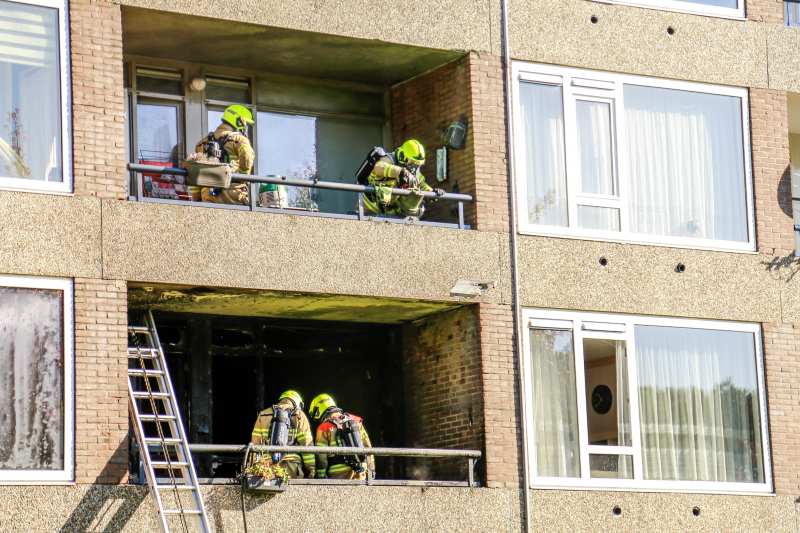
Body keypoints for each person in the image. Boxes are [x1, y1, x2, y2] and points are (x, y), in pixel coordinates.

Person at [362, 139, 445, 218]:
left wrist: (431, 191)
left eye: (417, 165)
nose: (414, 167)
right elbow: (378, 167)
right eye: (412, 163)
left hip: (389, 212)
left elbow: (420, 183)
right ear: (403, 156)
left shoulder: (412, 169)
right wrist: (401, 172)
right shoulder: (390, 159)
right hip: (370, 209)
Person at [193, 104, 255, 205]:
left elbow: (194, 172)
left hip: (208, 195)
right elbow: (247, 155)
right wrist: (243, 177)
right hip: (232, 193)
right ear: (239, 121)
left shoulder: (201, 143)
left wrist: (196, 199)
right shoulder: (240, 139)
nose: (245, 127)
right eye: (245, 123)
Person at [250, 390, 315, 479]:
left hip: (268, 465)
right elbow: (306, 444)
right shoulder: (299, 414)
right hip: (291, 465)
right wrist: (311, 469)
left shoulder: (263, 414)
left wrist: (253, 467)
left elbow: (255, 444)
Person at [309, 393, 373, 480]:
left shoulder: (324, 428)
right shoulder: (357, 421)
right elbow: (368, 447)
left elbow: (322, 459)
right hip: (360, 470)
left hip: (338, 474)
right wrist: (371, 471)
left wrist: (321, 477)